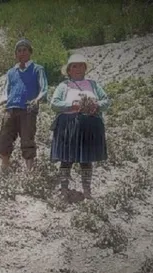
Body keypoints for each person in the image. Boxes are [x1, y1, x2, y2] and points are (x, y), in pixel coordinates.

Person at [50, 53, 111, 199]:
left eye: (81, 66)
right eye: (74, 66)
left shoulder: (93, 85)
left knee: (86, 159)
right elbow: (54, 104)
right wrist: (72, 104)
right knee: (66, 158)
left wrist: (96, 105)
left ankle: (87, 191)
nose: (78, 69)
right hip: (68, 125)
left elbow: (106, 101)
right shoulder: (63, 86)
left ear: (85, 69)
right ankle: (64, 189)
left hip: (90, 125)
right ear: (69, 70)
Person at [0, 39, 48, 172]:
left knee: (27, 140)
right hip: (11, 109)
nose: (22, 53)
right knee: (4, 138)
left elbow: (44, 88)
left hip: (28, 110)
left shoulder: (37, 69)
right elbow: (6, 91)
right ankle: (5, 167)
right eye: (19, 50)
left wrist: (37, 99)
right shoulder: (11, 72)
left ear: (30, 52)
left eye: (24, 50)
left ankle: (29, 171)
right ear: (15, 54)